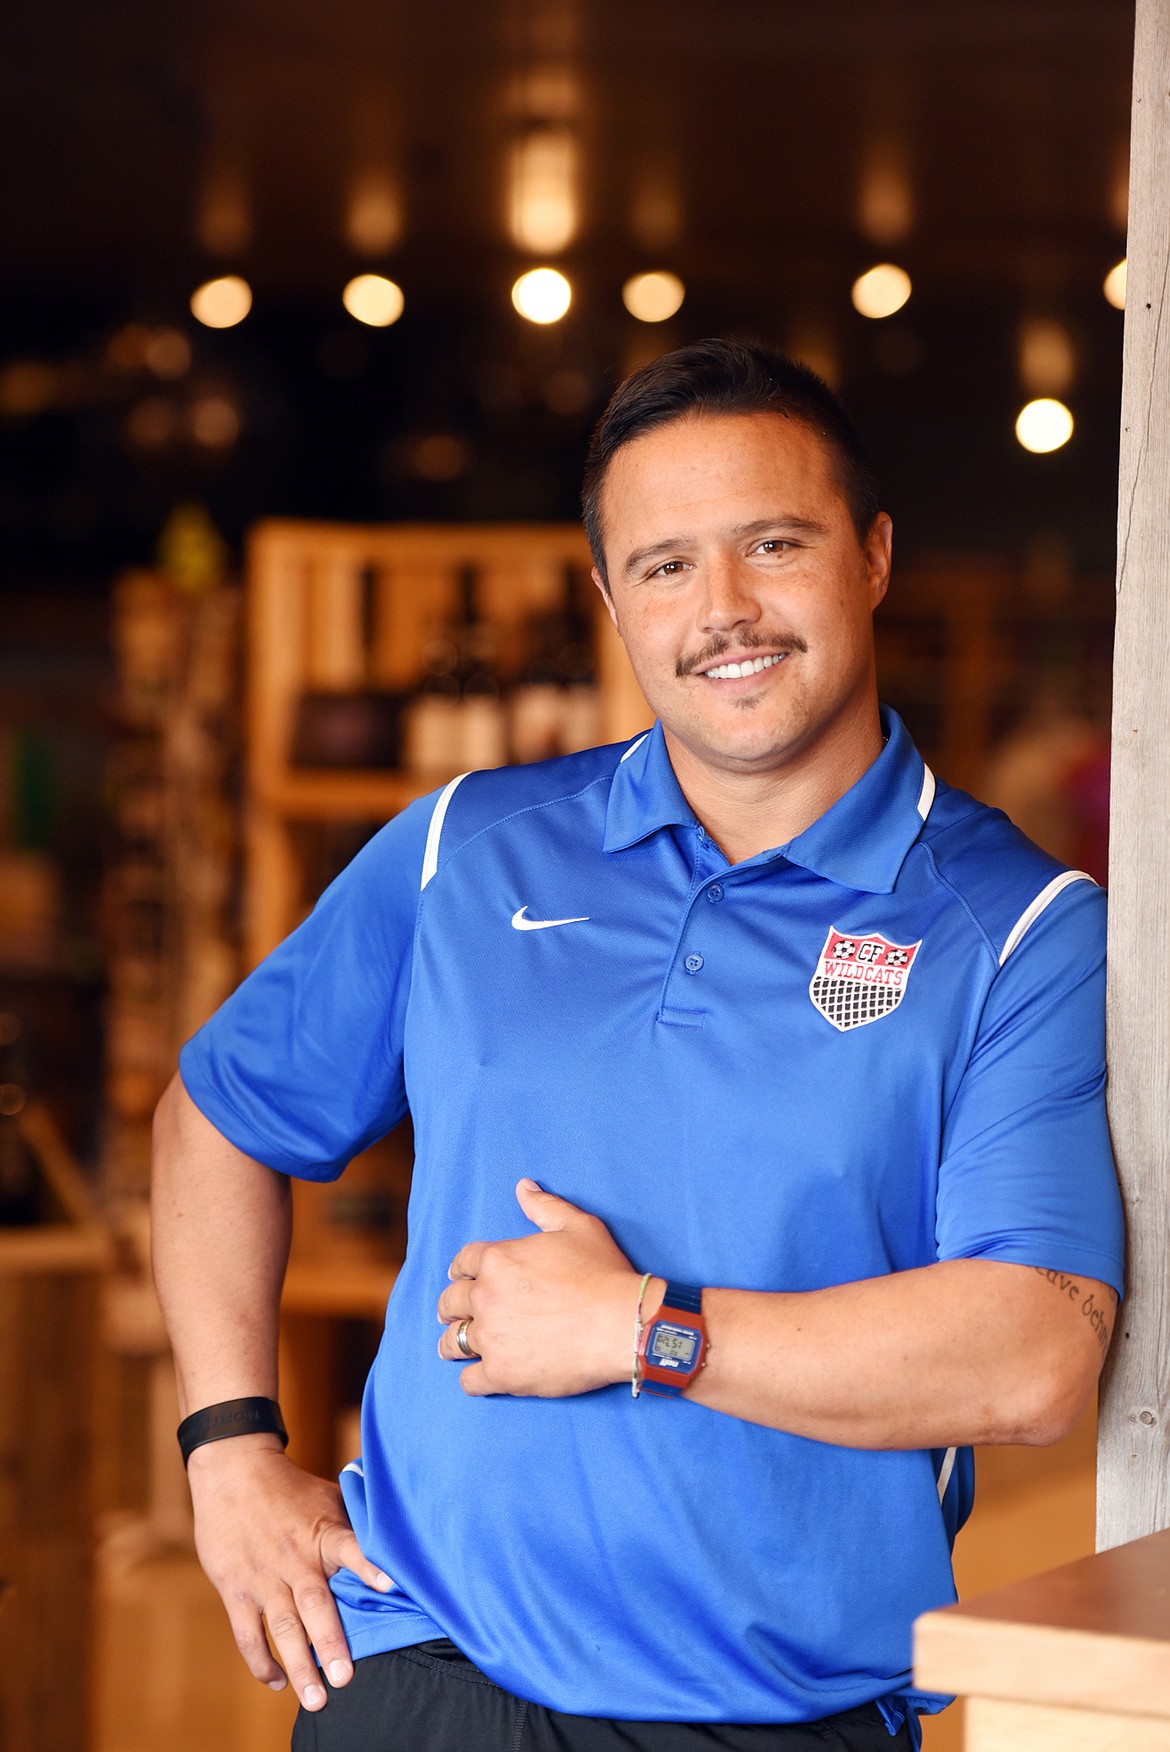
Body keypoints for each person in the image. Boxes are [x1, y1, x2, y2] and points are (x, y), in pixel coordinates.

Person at [151, 340, 1124, 1752]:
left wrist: (639, 1329)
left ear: (870, 555)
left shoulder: (1017, 928)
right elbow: (220, 1116)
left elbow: (1031, 1356)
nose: (722, 611)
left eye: (771, 545)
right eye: (664, 567)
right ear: (608, 601)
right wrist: (228, 1449)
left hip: (764, 1720)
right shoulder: (461, 851)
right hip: (417, 1686)